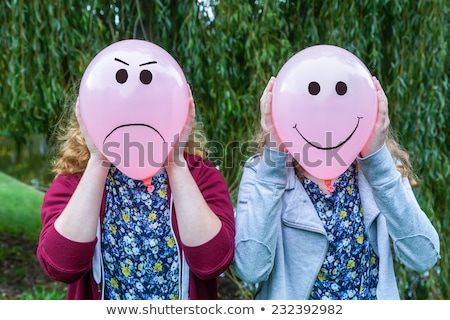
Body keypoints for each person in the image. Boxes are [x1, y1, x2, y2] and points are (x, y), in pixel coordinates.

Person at [232, 76, 440, 300]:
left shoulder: (379, 167)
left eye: (337, 108)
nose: (325, 118)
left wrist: (378, 162)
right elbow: (250, 269)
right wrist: (273, 161)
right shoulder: (261, 170)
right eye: (312, 109)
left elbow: (424, 257)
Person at [37, 87, 235, 300]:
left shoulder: (200, 175)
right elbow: (61, 266)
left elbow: (213, 263)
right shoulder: (76, 179)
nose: (136, 117)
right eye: (122, 108)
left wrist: (174, 161)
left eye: (149, 107)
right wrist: (98, 159)